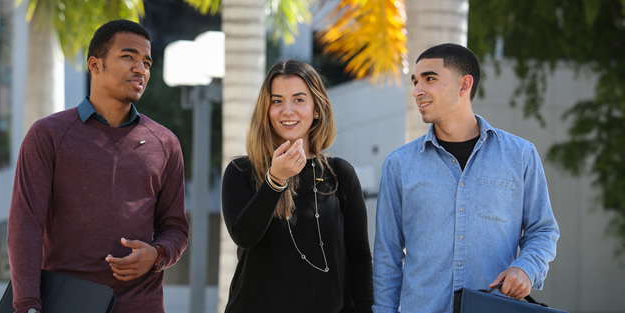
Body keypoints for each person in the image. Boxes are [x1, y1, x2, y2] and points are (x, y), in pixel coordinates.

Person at [7, 20, 189, 313]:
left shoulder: (165, 143)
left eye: (146, 62)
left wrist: (157, 254)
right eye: (128, 56)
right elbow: (25, 225)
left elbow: (176, 227)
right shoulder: (48, 135)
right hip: (66, 302)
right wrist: (27, 305)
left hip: (141, 304)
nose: (140, 69)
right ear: (95, 64)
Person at [372, 43, 560, 312]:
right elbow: (386, 257)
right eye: (415, 82)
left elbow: (542, 230)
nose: (417, 91)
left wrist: (526, 269)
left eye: (430, 79)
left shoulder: (520, 156)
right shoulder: (399, 164)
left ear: (464, 85)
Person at [221, 59, 374, 313]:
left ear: (316, 109)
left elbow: (359, 258)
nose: (287, 110)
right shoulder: (241, 171)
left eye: (299, 99)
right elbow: (244, 236)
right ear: (266, 110)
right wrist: (275, 180)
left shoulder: (341, 175)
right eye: (277, 101)